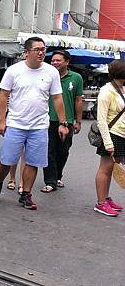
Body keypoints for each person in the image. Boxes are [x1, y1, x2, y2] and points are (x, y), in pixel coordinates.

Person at [0, 37, 69, 210]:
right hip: (16, 124)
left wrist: (63, 122)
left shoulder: (51, 72)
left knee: (33, 162)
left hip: (39, 126)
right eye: (37, 49)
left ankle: (26, 195)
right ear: (26, 53)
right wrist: (2, 121)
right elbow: (3, 96)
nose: (41, 52)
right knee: (6, 160)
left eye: (43, 49)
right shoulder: (13, 71)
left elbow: (57, 98)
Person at [41, 50, 83, 192]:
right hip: (48, 120)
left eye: (58, 60)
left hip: (68, 121)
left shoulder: (76, 78)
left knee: (63, 151)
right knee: (49, 151)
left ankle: (58, 176)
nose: (55, 63)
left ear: (67, 62)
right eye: (53, 60)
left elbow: (78, 100)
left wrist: (78, 121)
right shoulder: (47, 76)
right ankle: (50, 181)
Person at [91, 60, 125, 217]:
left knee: (112, 168)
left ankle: (106, 197)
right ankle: (101, 203)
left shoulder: (122, 88)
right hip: (111, 134)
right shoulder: (106, 91)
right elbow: (101, 120)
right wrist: (108, 143)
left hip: (122, 134)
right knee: (105, 168)